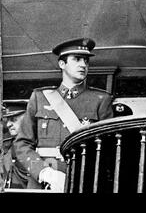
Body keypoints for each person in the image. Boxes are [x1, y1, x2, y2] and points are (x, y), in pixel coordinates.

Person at [14, 38, 114, 192]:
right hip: (43, 183)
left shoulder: (101, 100)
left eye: (86, 61)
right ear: (62, 64)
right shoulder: (40, 98)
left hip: (81, 183)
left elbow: (108, 148)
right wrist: (44, 173)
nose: (83, 65)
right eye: (77, 59)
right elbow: (22, 144)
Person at [1, 104, 29, 189]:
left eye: (13, 120)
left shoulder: (40, 146)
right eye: (8, 120)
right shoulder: (5, 147)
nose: (8, 124)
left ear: (26, 120)